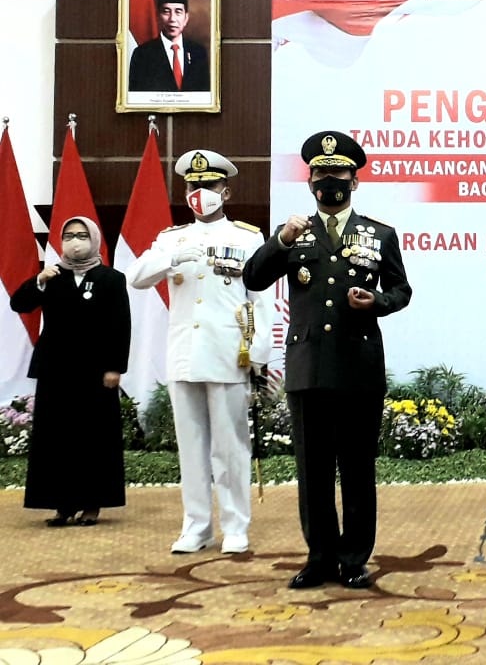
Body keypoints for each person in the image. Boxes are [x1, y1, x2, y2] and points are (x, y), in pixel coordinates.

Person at [243, 130, 412, 590]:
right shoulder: (295, 232)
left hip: (358, 365)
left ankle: (354, 558)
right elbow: (253, 278)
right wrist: (280, 240)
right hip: (309, 366)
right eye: (321, 173)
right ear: (311, 181)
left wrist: (375, 301)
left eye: (338, 173)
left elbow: (402, 291)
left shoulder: (379, 234)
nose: (328, 181)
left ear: (353, 181)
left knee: (357, 468)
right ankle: (319, 557)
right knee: (313, 470)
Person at [127, 150, 271, 555]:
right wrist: (171, 257)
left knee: (230, 446)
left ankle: (236, 526)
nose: (200, 192)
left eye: (208, 185)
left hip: (229, 353)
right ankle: (196, 526)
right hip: (185, 354)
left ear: (226, 190)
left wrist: (258, 352)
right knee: (190, 448)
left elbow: (259, 300)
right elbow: (135, 278)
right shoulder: (171, 239)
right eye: (193, 186)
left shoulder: (247, 237)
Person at [9, 216, 130, 527]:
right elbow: (19, 304)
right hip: (56, 370)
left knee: (93, 437)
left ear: (94, 239)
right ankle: (62, 505)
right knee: (57, 437)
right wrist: (39, 280)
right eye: (69, 236)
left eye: (81, 235)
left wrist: (115, 366)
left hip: (96, 372)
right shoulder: (53, 276)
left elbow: (120, 326)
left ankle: (92, 505)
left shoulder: (111, 279)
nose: (75, 241)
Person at [128, 0, 210, 92]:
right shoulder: (142, 54)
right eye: (166, 11)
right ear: (158, 17)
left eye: (178, 12)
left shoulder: (198, 52)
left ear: (186, 18)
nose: (172, 19)